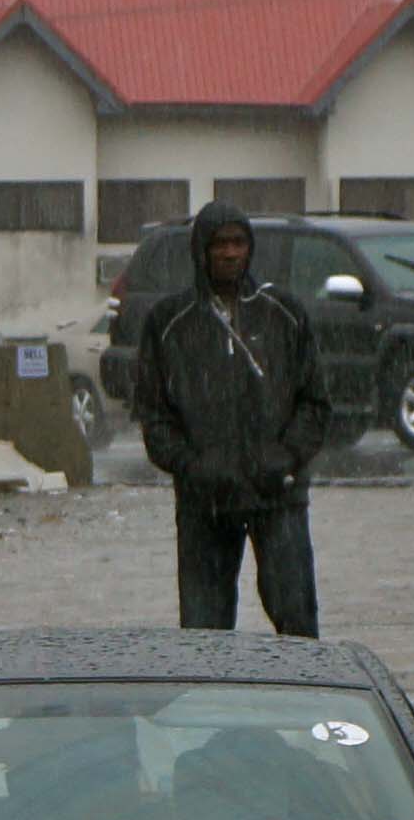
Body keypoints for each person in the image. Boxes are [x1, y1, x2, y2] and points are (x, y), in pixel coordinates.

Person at [129, 200, 327, 637]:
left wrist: (287, 455)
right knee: (204, 634)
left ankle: (302, 705)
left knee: (297, 622)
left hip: (279, 495)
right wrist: (193, 465)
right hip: (206, 501)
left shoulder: (285, 314)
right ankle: (211, 706)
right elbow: (154, 417)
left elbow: (315, 403)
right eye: (220, 244)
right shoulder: (169, 324)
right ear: (201, 250)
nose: (230, 253)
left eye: (239, 243)